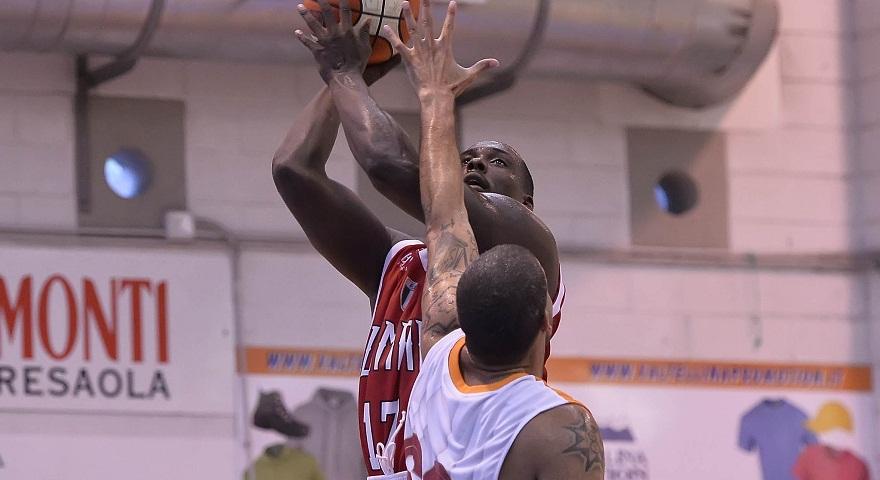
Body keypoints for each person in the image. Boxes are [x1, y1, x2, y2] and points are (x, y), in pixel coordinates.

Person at [274, 0, 565, 475]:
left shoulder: (529, 250)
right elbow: (294, 170)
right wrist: (355, 75)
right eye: (463, 158)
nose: (474, 162)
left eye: (498, 161)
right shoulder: (400, 264)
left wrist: (343, 73)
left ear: (527, 204)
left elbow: (391, 167)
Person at [381, 2, 604, 478]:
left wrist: (433, 95)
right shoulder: (559, 428)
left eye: (496, 163)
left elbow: (444, 218)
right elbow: (445, 215)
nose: (477, 167)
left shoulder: (435, 354)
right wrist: (436, 95)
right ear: (546, 320)